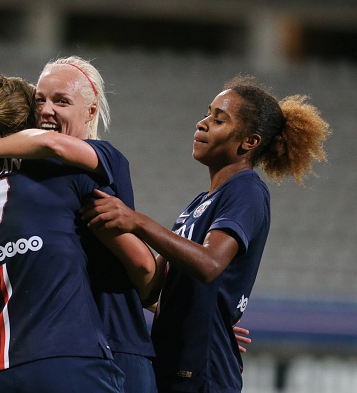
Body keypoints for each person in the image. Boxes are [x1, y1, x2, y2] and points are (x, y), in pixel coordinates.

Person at [80, 75, 331, 392]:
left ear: (249, 142)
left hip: (202, 371)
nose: (202, 124)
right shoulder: (199, 204)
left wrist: (137, 222)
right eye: (206, 114)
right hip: (173, 361)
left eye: (218, 119)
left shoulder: (247, 190)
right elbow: (153, 289)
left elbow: (210, 263)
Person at [0, 56, 159, 393]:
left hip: (83, 348)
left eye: (61, 100)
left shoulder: (83, 166)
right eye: (40, 100)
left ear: (91, 111)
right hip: (77, 357)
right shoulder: (60, 178)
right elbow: (143, 267)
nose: (47, 110)